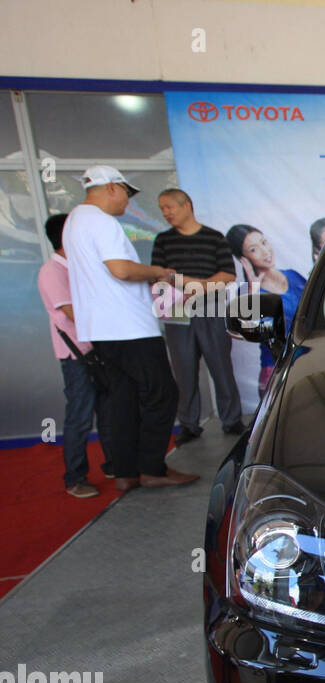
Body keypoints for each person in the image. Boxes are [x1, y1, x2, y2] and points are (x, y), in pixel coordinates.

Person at [63, 165, 198, 492]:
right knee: (162, 393)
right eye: (126, 192)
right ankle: (152, 468)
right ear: (111, 187)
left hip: (101, 327)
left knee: (122, 399)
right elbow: (121, 270)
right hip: (128, 326)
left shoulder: (74, 221)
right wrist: (157, 272)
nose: (128, 201)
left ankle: (125, 471)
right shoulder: (101, 221)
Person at [152, 188, 243, 444]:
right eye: (162, 208)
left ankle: (232, 420)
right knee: (184, 371)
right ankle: (189, 424)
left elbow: (227, 276)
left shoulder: (215, 238)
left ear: (187, 205)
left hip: (212, 309)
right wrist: (195, 284)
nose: (165, 213)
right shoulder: (163, 240)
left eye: (169, 206)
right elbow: (160, 276)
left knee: (221, 367)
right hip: (177, 311)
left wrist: (186, 283)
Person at [38, 213, 113, 497]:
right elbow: (72, 313)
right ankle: (75, 477)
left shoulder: (77, 268)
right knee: (80, 416)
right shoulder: (52, 271)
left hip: (96, 351)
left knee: (107, 411)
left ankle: (112, 463)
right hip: (77, 357)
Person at [227, 224, 307, 397]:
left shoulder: (294, 276)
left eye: (264, 242)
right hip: (276, 369)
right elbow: (238, 331)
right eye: (254, 249)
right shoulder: (248, 292)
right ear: (244, 259)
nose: (265, 251)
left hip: (308, 361)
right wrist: (253, 292)